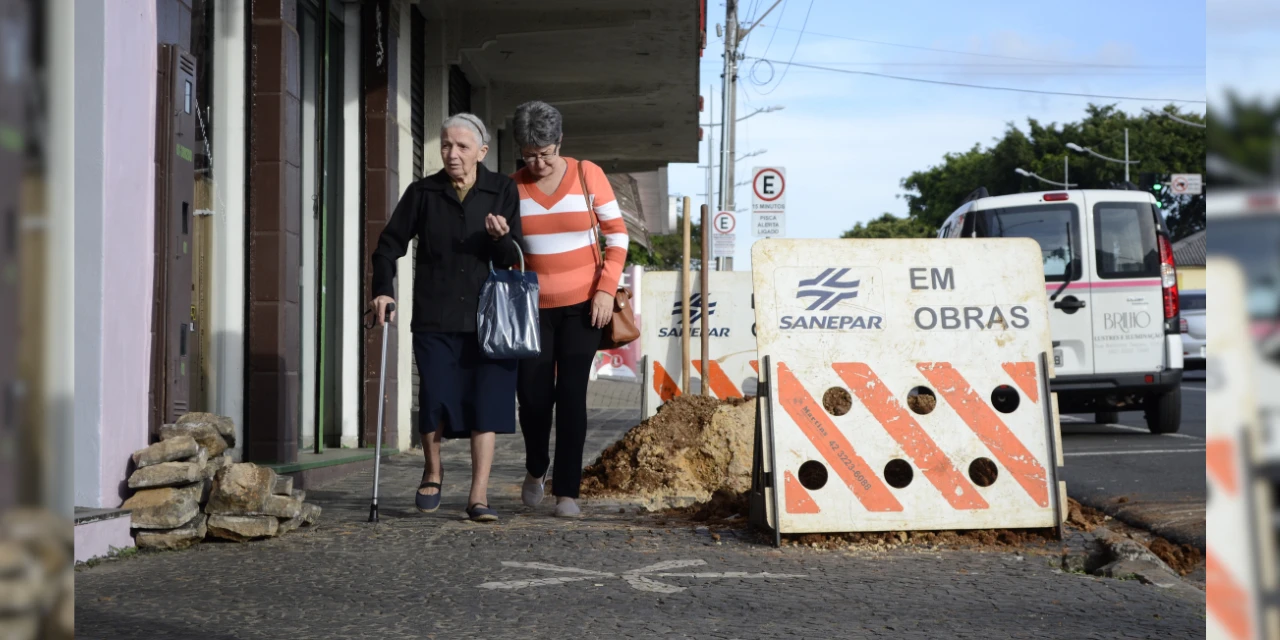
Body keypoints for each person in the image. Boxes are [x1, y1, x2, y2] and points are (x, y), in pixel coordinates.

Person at [369, 113, 522, 523]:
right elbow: (388, 245)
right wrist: (382, 289)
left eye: (462, 147)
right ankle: (433, 470)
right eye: (446, 146)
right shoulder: (423, 192)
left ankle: (478, 495)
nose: (452, 154)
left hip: (489, 319)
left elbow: (514, 257)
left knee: (485, 404)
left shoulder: (502, 189)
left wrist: (501, 237)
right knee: (434, 397)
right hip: (435, 314)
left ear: (481, 152)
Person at [511, 101, 629, 518]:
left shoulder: (586, 174)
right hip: (532, 309)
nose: (538, 162)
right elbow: (507, 249)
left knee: (572, 396)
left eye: (545, 152)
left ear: (559, 142)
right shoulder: (512, 186)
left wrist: (604, 289)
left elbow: (617, 236)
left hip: (584, 305)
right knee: (533, 397)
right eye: (529, 154)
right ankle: (535, 467)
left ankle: (567, 493)